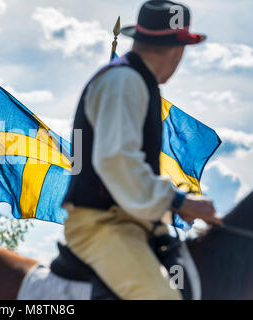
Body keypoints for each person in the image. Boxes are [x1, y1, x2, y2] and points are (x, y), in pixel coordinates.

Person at [62, 0, 221, 300]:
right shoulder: (125, 81)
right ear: (178, 50)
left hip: (125, 222)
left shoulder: (132, 80)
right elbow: (118, 164)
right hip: (102, 225)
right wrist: (178, 201)